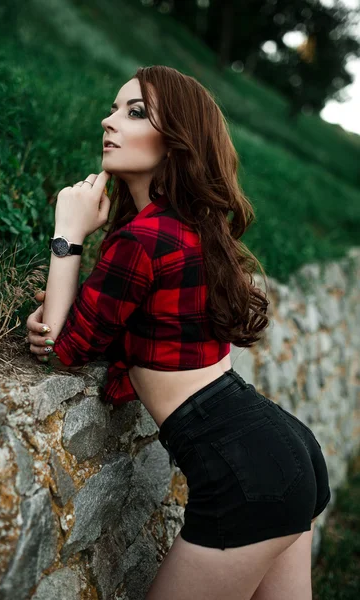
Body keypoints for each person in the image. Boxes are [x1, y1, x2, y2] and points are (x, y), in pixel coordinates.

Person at [26, 65, 331, 599]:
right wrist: (63, 309)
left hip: (245, 474)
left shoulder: (144, 239)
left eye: (134, 111)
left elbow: (61, 349)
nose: (109, 120)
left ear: (177, 142)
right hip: (282, 447)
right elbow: (92, 329)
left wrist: (67, 234)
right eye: (114, 107)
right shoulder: (187, 231)